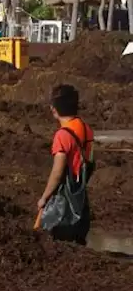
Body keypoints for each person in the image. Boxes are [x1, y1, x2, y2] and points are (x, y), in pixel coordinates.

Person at [38, 83, 95, 246]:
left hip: (64, 197)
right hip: (80, 194)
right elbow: (89, 160)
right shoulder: (86, 129)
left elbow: (57, 172)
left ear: (54, 109)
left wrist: (44, 198)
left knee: (56, 239)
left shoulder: (62, 136)